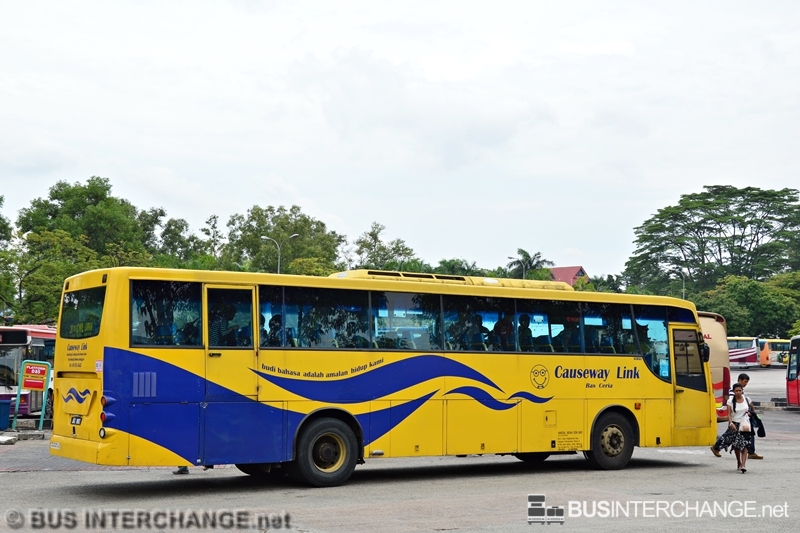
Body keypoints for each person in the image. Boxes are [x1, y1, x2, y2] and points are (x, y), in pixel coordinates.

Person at [710, 373, 763, 459]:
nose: (746, 384)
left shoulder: (741, 392)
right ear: (740, 380)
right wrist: (731, 421)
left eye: (747, 382)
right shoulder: (733, 392)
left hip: (744, 419)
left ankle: (751, 452)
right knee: (729, 436)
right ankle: (716, 448)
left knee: (748, 435)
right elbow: (732, 405)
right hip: (736, 420)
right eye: (745, 381)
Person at [715, 383, 754, 473]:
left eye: (740, 390)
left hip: (745, 425)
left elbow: (752, 410)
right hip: (735, 425)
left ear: (742, 391)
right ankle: (739, 462)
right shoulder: (730, 401)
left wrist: (750, 414)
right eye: (736, 391)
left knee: (745, 445)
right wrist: (731, 423)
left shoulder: (747, 399)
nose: (738, 392)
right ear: (733, 391)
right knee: (737, 445)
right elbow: (729, 414)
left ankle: (743, 465)